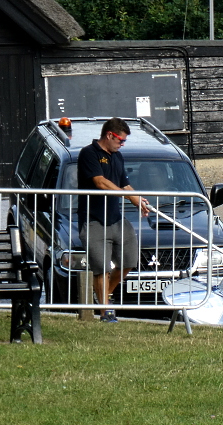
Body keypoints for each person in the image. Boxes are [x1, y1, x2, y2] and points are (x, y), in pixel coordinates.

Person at [77, 118, 149, 322]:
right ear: (109, 135)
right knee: (101, 267)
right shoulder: (88, 153)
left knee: (129, 260)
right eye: (120, 140)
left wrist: (139, 201)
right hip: (93, 219)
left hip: (116, 219)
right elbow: (100, 182)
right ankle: (105, 312)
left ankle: (101, 298)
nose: (122, 144)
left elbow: (125, 185)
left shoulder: (118, 157)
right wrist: (127, 196)